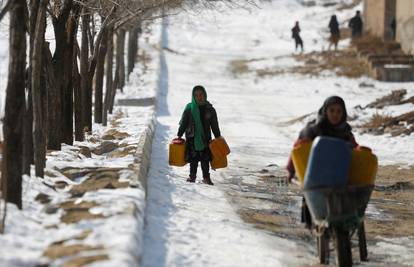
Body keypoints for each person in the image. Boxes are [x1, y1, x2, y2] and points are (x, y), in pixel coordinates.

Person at [286, 96, 358, 228]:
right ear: (325, 111)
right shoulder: (313, 129)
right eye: (332, 111)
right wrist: (291, 170)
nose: (335, 115)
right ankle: (313, 220)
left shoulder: (346, 132)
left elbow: (355, 151)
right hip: (317, 176)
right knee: (313, 197)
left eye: (339, 111)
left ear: (343, 114)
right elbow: (298, 150)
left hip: (340, 177)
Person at [177, 85, 221, 185]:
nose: (199, 97)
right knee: (193, 160)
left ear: (204, 95)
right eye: (196, 95)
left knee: (205, 159)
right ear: (193, 96)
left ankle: (206, 177)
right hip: (192, 137)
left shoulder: (210, 109)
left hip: (205, 138)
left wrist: (218, 136)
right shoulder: (189, 109)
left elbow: (214, 125)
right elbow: (184, 123)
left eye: (201, 95)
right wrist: (179, 134)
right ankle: (192, 177)